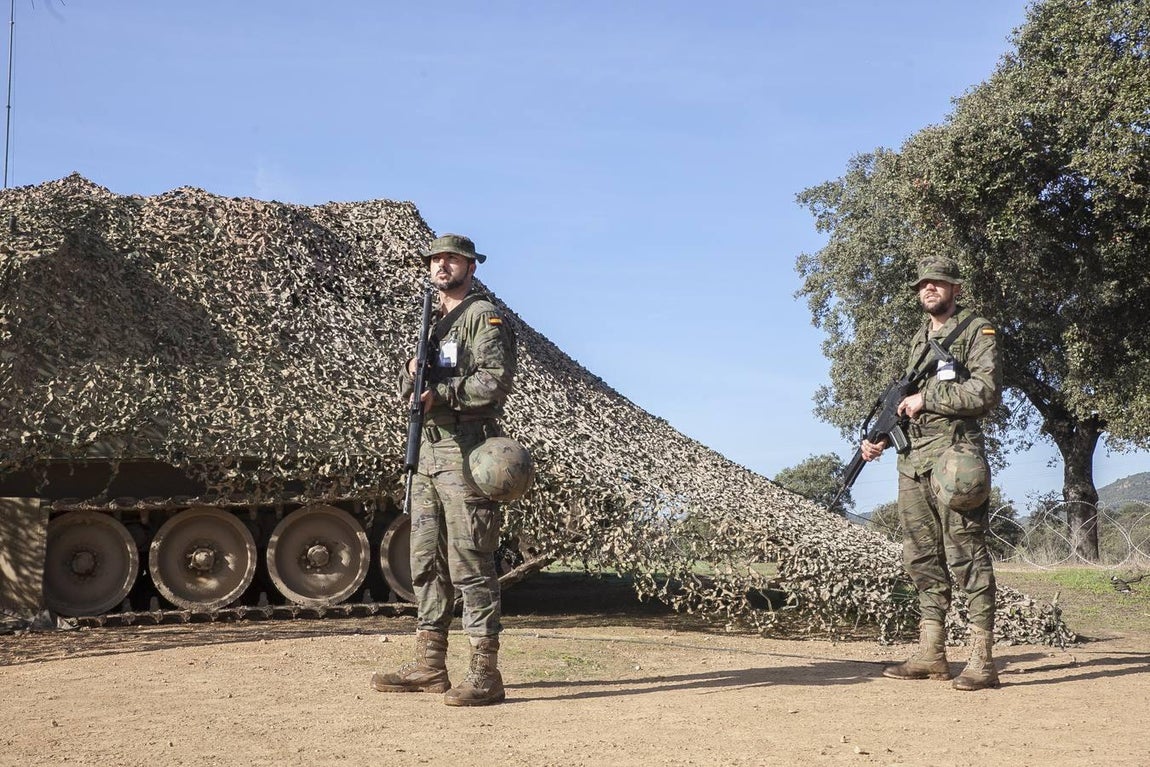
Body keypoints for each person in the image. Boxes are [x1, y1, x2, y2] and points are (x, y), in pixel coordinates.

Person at [371, 233, 517, 706]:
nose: (442, 265)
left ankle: (484, 672)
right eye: (435, 258)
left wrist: (445, 393)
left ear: (471, 266)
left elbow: (494, 381)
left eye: (452, 259)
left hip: (464, 451)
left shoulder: (482, 316)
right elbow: (407, 385)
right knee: (425, 561)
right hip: (427, 454)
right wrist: (410, 378)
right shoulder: (429, 321)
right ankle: (430, 665)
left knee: (470, 559)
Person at [860, 255, 1002, 691]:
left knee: (966, 553)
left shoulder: (978, 331)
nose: (929, 290)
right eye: (923, 284)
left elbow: (985, 390)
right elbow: (905, 398)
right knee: (920, 556)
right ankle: (932, 652)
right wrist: (881, 437)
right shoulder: (919, 339)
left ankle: (982, 659)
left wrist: (930, 398)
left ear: (955, 288)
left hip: (955, 457)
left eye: (938, 283)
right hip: (913, 460)